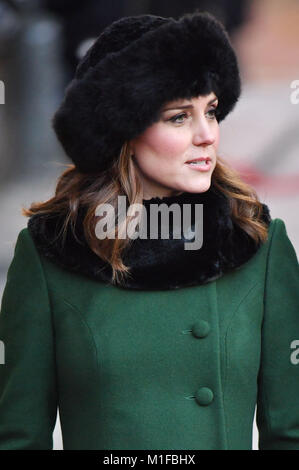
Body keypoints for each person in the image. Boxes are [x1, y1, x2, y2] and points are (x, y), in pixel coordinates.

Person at [0, 10, 299, 451]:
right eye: (179, 117)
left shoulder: (257, 243)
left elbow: (289, 432)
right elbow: (19, 437)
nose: (207, 136)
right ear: (123, 128)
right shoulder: (51, 253)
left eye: (211, 112)